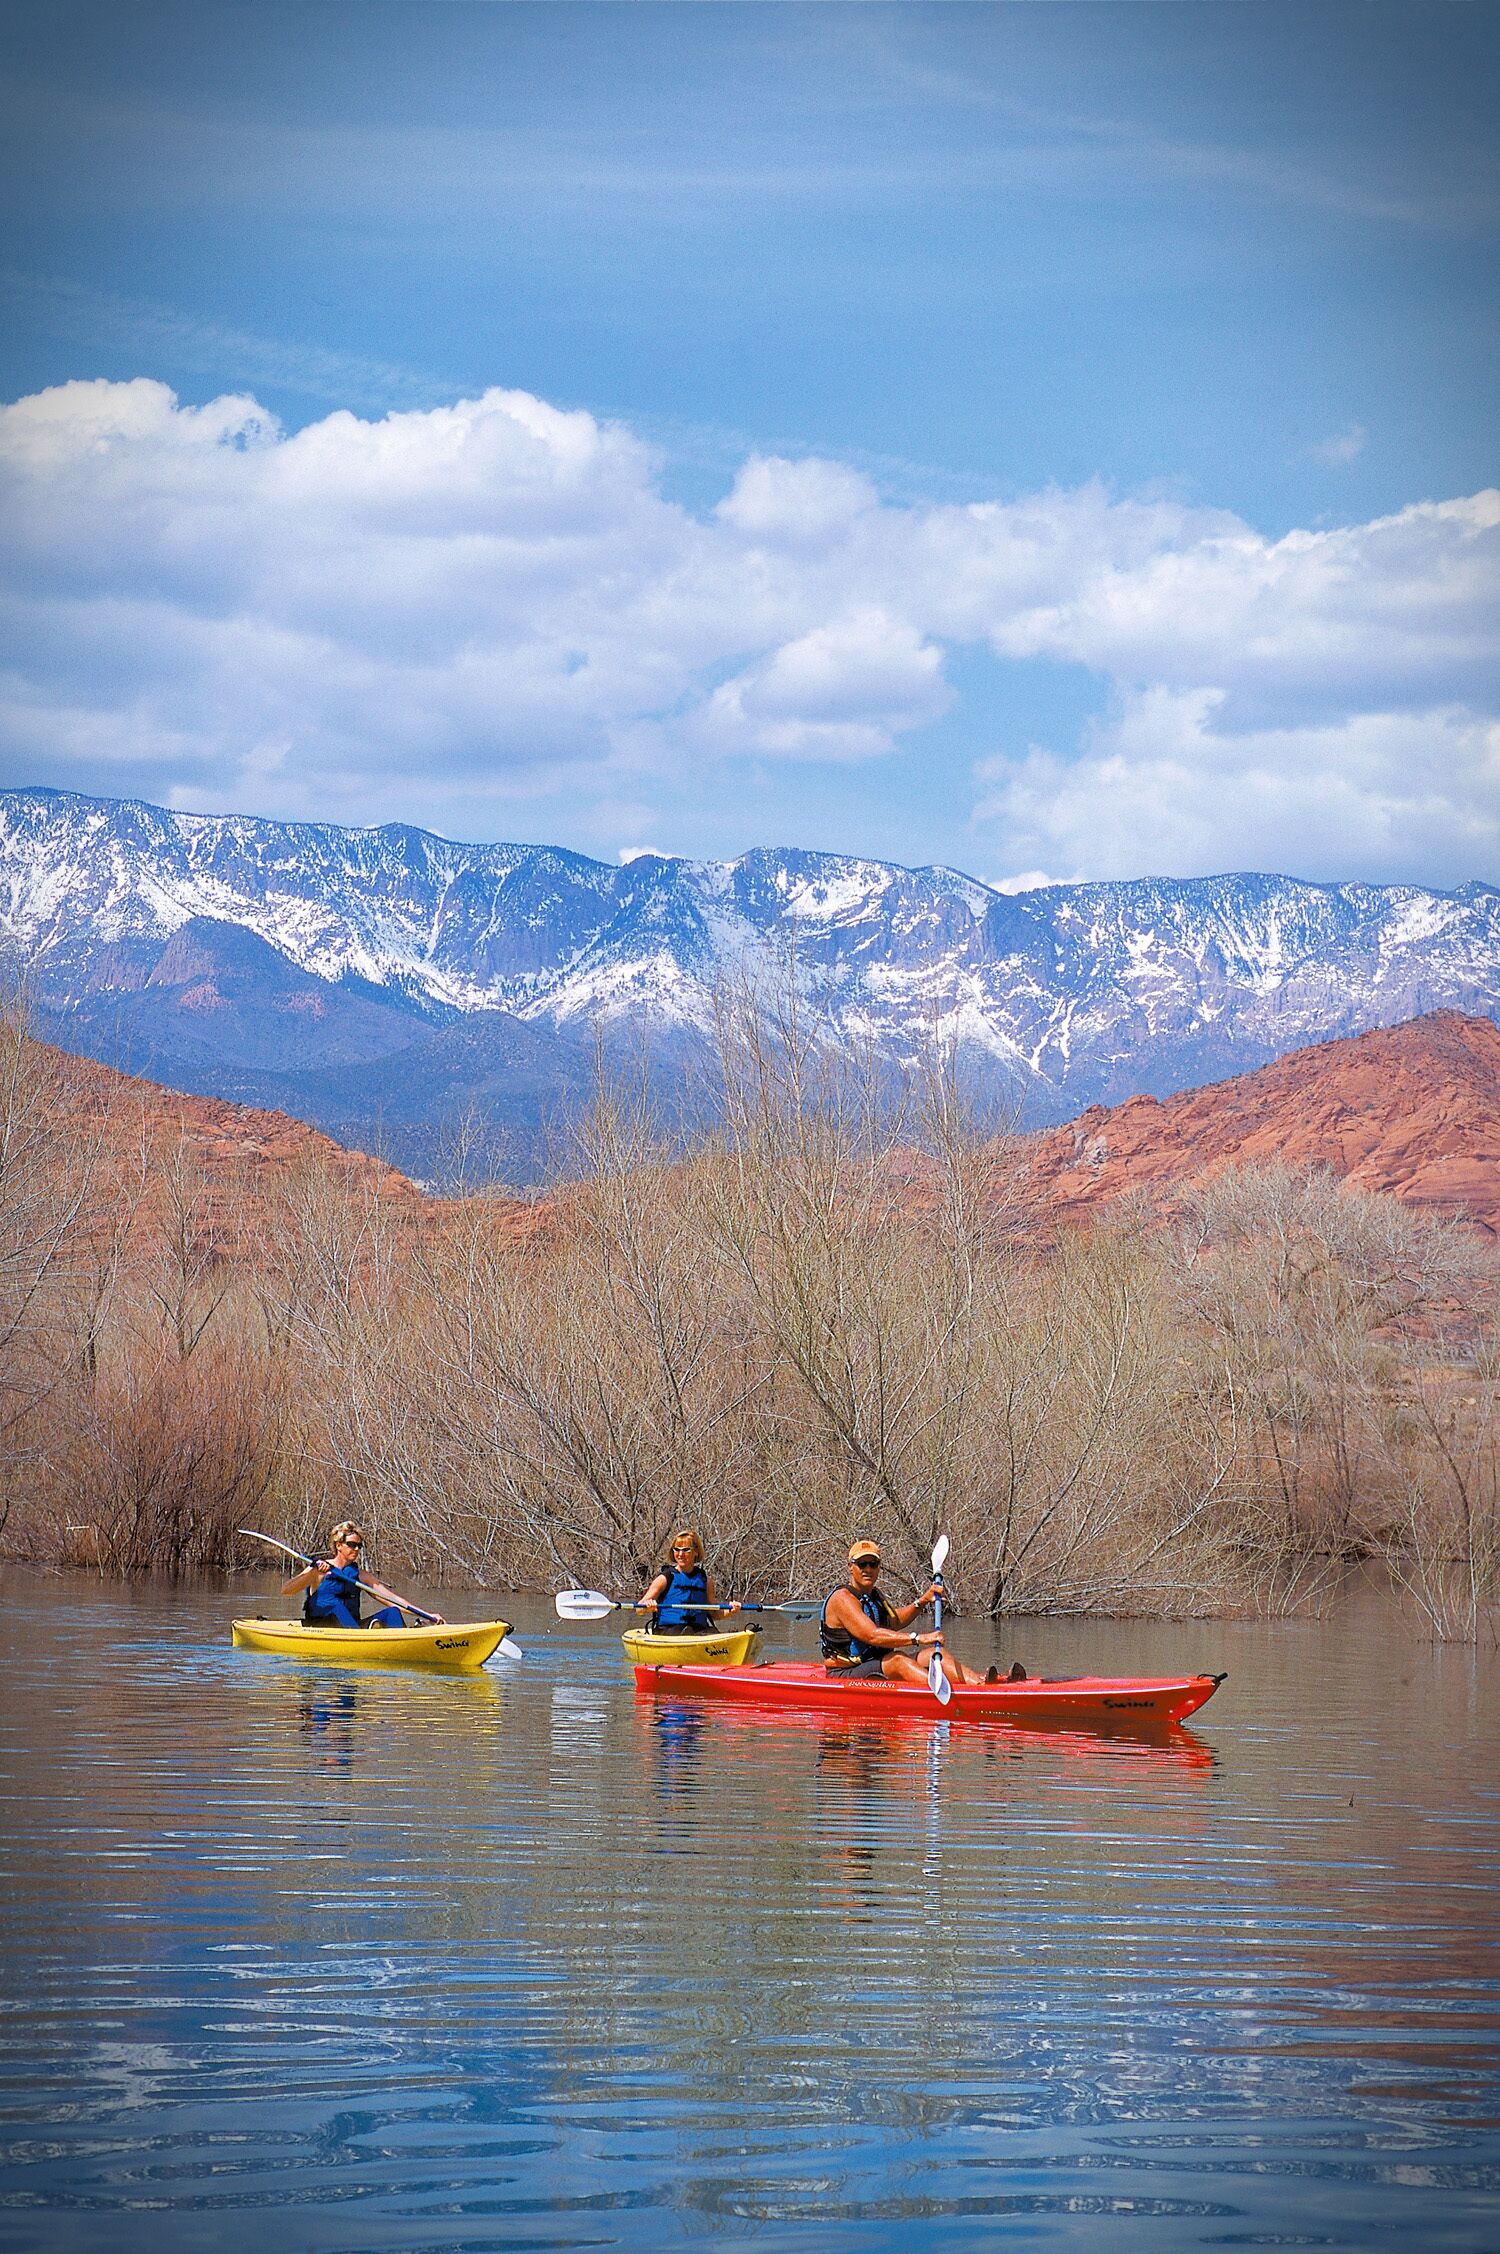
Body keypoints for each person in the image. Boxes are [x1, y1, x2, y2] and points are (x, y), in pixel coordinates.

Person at [819, 1539, 1027, 1687]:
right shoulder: (843, 1599)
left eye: (873, 1564)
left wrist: (922, 1601)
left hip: (874, 1663)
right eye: (861, 1564)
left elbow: (894, 1622)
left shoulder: (873, 1595)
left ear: (879, 1567)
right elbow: (872, 1635)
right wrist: (919, 1638)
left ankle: (981, 1685)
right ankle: (954, 1693)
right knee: (898, 1660)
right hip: (844, 1674)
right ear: (850, 1567)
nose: (868, 1569)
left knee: (934, 1654)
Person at [281, 1522, 443, 1629]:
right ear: (338, 1545)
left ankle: (401, 1640)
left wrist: (428, 1615)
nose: (357, 1549)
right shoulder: (319, 1569)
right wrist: (314, 1572)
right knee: (337, 1607)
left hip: (353, 1628)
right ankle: (365, 1637)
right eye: (352, 1545)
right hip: (321, 1627)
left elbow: (393, 1599)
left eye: (359, 1546)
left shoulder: (360, 1575)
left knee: (392, 1612)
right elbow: (286, 1590)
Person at [638, 1529, 742, 1636]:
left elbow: (714, 1613)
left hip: (699, 1630)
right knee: (681, 1632)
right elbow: (639, 1608)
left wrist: (731, 1610)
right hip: (669, 1631)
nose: (680, 1554)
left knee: (709, 1632)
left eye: (686, 1550)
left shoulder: (706, 1581)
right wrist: (646, 1607)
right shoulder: (664, 1578)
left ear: (695, 1552)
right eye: (677, 1550)